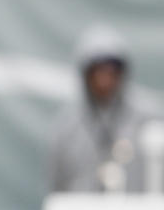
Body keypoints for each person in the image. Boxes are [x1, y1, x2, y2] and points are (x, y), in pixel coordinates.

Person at [49, 27, 157, 192]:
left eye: (112, 71)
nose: (104, 80)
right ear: (86, 75)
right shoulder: (67, 125)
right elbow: (56, 183)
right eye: (97, 71)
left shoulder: (147, 118)